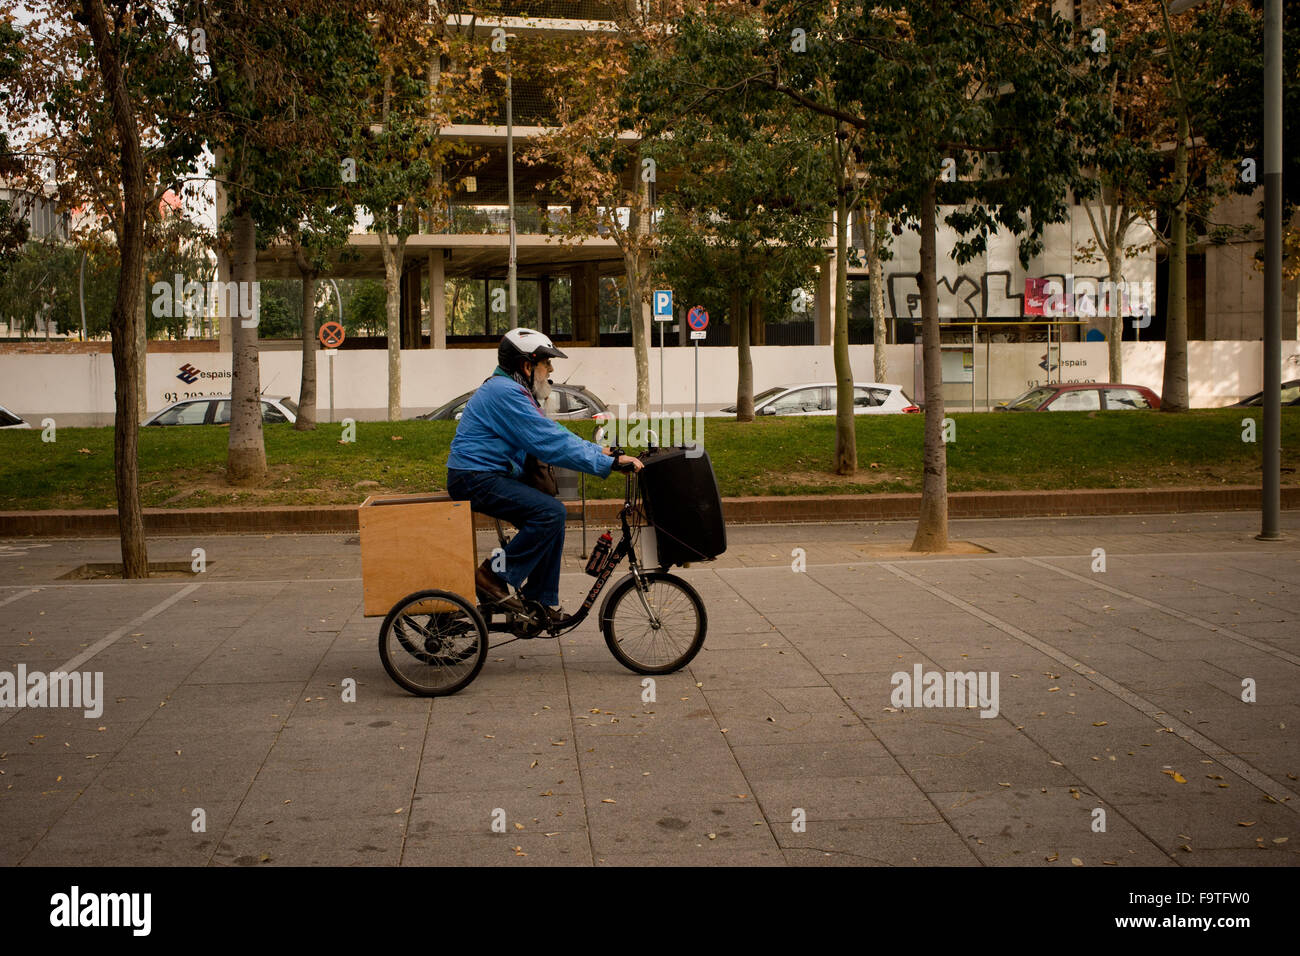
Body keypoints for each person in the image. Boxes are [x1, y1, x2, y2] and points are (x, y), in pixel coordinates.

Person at [446, 328, 642, 626]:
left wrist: (600, 452)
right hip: (474, 477)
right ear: (527, 365)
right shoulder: (505, 392)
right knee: (550, 513)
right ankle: (491, 575)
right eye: (546, 364)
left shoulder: (511, 390)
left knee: (551, 518)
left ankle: (540, 599)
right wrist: (609, 464)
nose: (550, 370)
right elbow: (548, 442)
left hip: (484, 475)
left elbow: (554, 434)